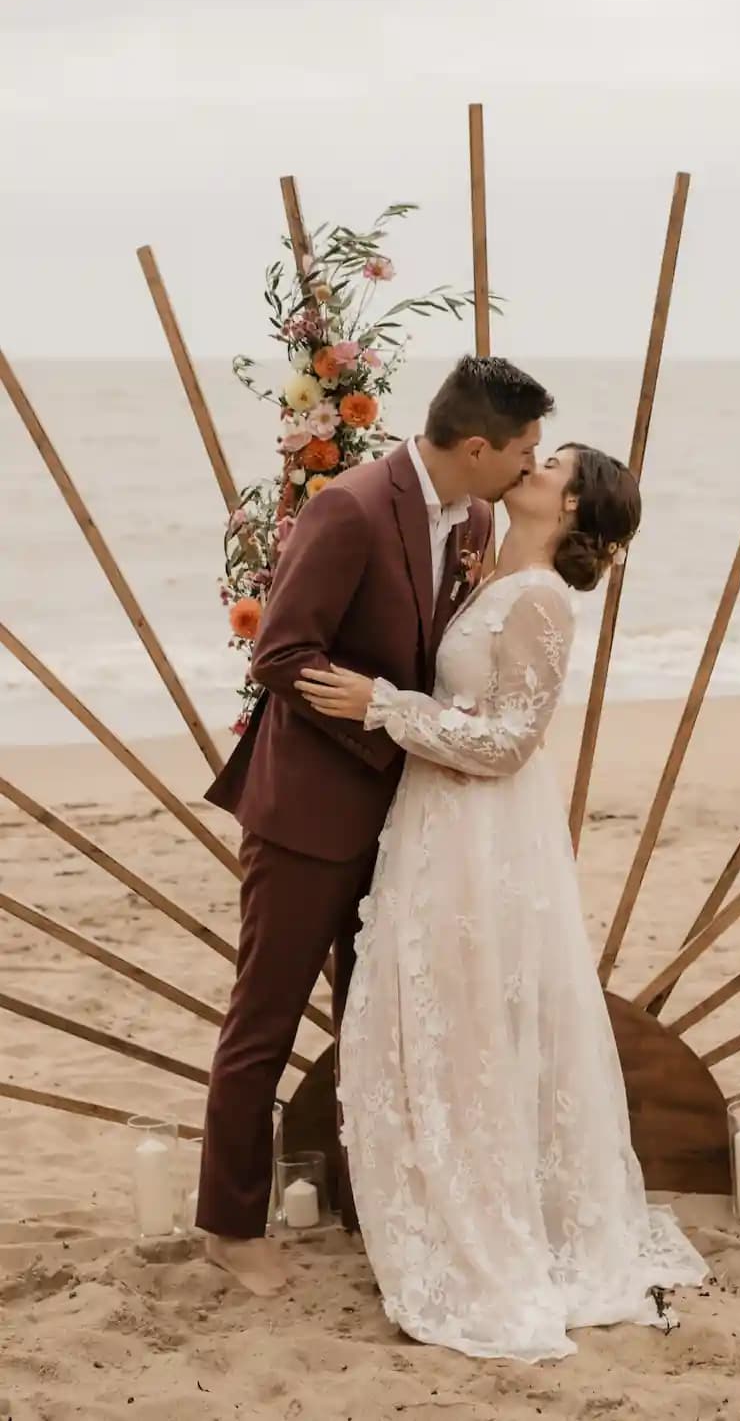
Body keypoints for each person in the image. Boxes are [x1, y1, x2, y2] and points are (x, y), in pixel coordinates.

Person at [296, 444, 708, 1362]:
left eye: (554, 464)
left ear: (575, 508)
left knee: (469, 1014)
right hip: (438, 821)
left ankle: (482, 1224)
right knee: (440, 1010)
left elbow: (512, 743)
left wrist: (383, 706)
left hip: (482, 831)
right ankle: (449, 1205)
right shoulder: (496, 577)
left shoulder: (542, 600)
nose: (534, 463)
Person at [197, 356, 555, 1297]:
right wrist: (381, 725)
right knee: (264, 1022)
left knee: (383, 1022)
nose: (532, 463)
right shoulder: (352, 508)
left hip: (408, 827)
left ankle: (377, 1206)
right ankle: (229, 1226)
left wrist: (408, 728)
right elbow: (281, 654)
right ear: (477, 446)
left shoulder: (476, 518)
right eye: (524, 449)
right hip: (310, 814)